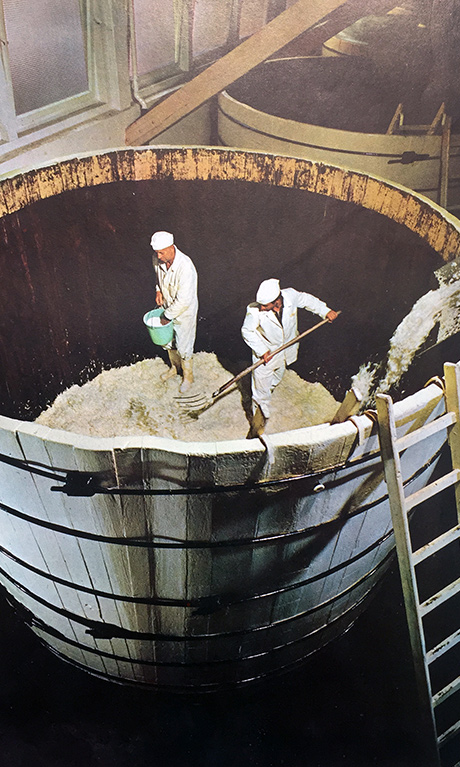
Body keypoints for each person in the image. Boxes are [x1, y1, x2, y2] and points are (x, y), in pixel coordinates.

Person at [241, 278, 338, 438]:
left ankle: (266, 392)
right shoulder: (254, 311)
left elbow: (308, 300)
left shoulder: (290, 296)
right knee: (261, 393)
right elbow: (247, 331)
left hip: (285, 353)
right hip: (266, 356)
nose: (262, 308)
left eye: (265, 305)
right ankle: (257, 428)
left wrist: (325, 311)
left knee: (276, 379)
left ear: (276, 301)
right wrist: (262, 350)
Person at [150, 231, 198, 393]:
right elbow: (157, 277)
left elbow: (184, 300)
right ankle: (174, 368)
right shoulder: (158, 259)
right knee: (168, 342)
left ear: (171, 248)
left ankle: (188, 376)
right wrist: (158, 291)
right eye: (156, 252)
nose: (159, 256)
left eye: (162, 252)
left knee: (184, 345)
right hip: (168, 305)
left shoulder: (185, 267)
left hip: (184, 311)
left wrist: (166, 317)